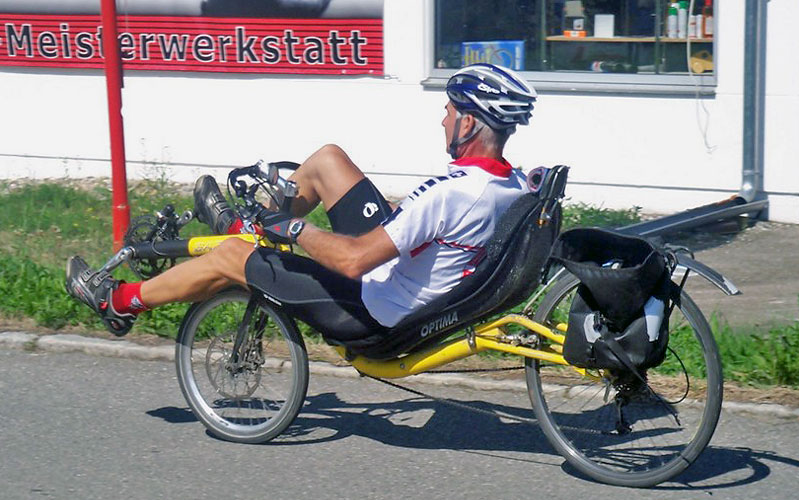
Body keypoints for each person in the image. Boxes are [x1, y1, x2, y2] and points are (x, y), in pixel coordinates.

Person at [65, 63, 538, 338]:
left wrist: (295, 229)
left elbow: (353, 261)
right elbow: (423, 230)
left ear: (469, 124)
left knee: (231, 258)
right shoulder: (511, 185)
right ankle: (246, 227)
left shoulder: (453, 194)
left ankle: (119, 301)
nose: (443, 121)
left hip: (373, 306)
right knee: (329, 161)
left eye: (449, 112)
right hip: (405, 276)